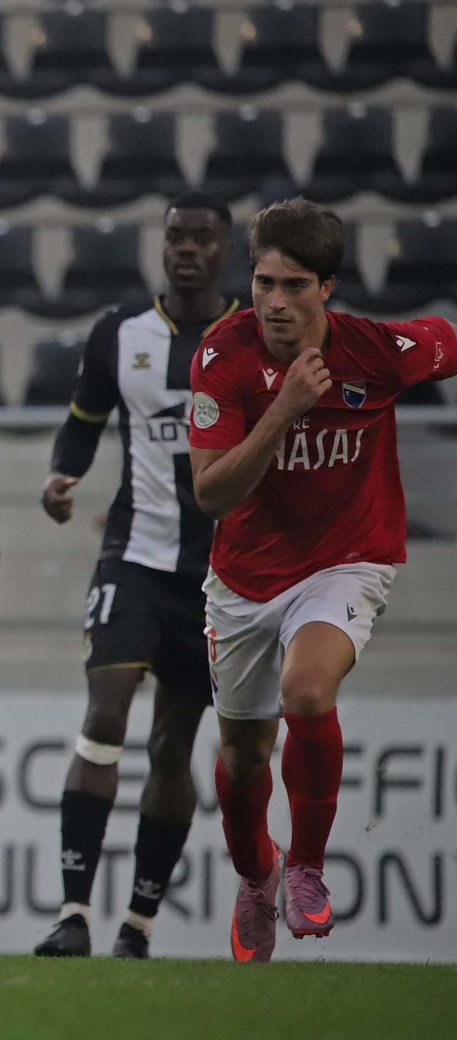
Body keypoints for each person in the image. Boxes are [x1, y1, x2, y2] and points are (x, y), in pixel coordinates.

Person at [188, 198, 457, 963]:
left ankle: (305, 866)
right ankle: (256, 875)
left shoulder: (381, 350)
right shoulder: (223, 357)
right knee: (242, 760)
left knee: (308, 691)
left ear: (328, 287)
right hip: (243, 577)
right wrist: (284, 411)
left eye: (294, 285)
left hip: (347, 558)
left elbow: (449, 341)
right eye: (263, 281)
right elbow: (210, 493)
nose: (274, 301)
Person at [33, 192, 241, 960]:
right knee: (105, 713)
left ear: (226, 251)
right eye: (176, 237)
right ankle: (74, 913)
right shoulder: (122, 332)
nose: (187, 249)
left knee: (172, 747)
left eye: (203, 238)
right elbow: (85, 417)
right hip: (134, 555)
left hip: (218, 576)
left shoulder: (250, 335)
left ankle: (139, 925)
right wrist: (63, 476)